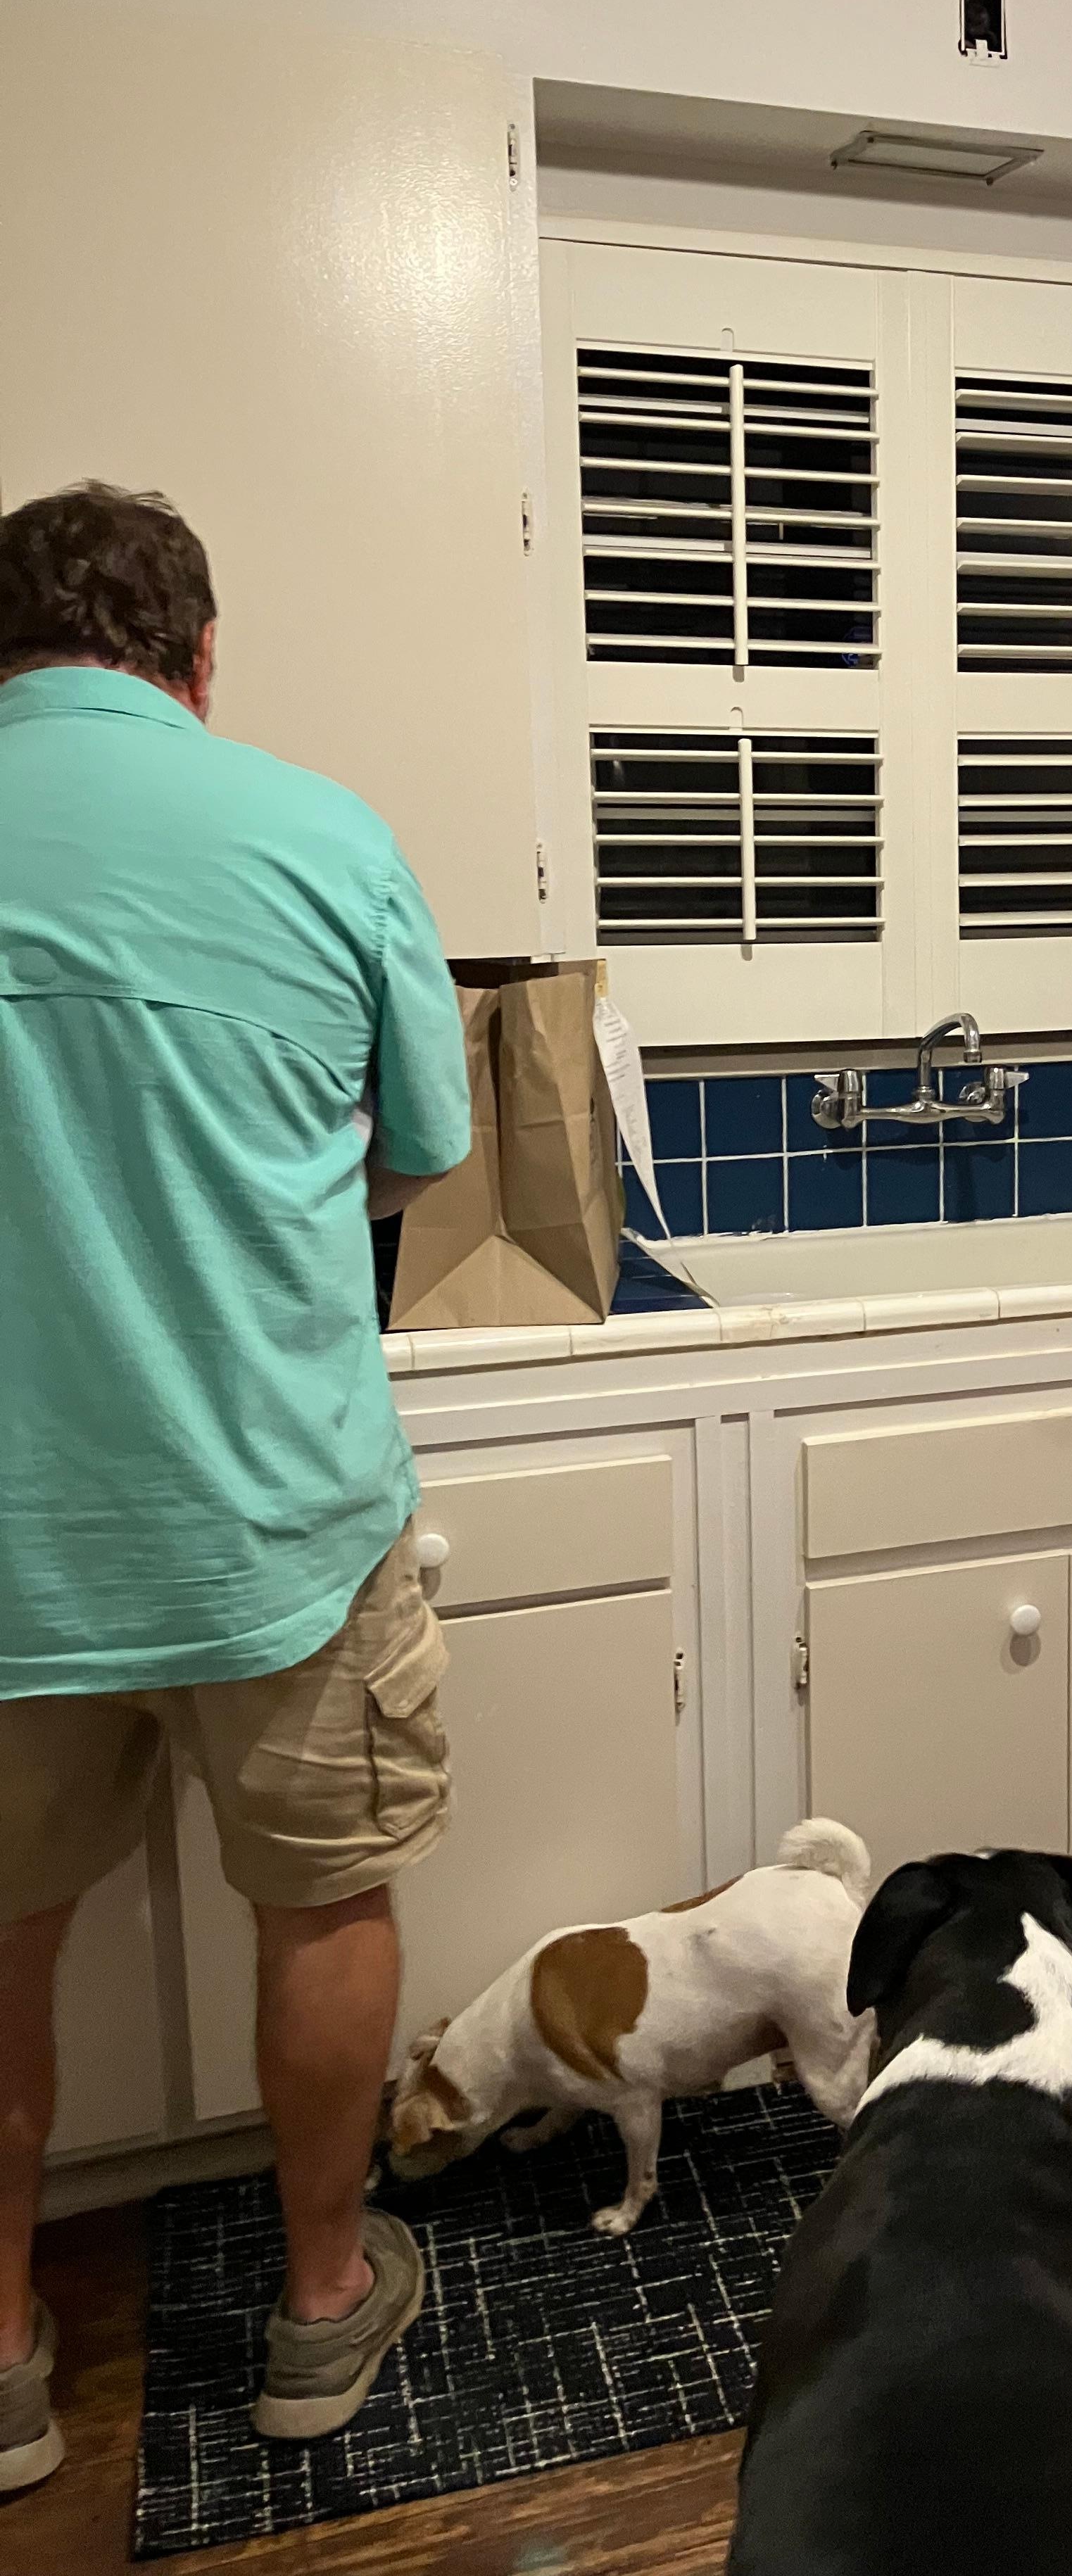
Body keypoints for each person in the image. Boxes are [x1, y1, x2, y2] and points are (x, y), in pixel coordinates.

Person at [0, 484, 472, 2492]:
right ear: (196, 661)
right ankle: (319, 2304)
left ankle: (2, 2362)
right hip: (278, 1516)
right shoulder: (319, 834)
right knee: (322, 1902)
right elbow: (422, 1151)